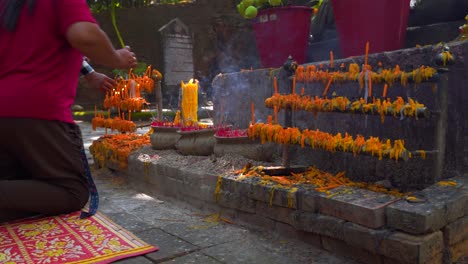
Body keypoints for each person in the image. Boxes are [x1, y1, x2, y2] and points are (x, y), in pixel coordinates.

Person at [0, 0, 137, 223]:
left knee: (17, 178)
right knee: (72, 191)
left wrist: (88, 71)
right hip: (38, 109)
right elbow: (85, 36)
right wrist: (117, 57)